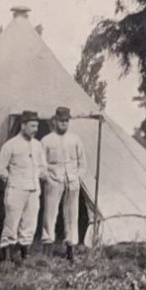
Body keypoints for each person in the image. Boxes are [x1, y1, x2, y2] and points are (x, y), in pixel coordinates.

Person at [0, 110, 47, 262]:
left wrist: (39, 175)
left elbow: (43, 166)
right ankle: (7, 257)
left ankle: (25, 256)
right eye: (32, 126)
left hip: (33, 189)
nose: (35, 129)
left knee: (30, 223)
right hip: (16, 189)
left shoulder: (37, 145)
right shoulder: (10, 145)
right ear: (23, 126)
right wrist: (11, 179)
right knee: (12, 223)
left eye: (37, 126)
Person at [41, 105, 86, 262]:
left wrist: (77, 177)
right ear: (54, 120)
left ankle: (70, 249)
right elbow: (41, 164)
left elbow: (82, 162)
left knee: (72, 214)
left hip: (71, 182)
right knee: (50, 214)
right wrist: (47, 177)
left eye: (66, 121)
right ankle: (47, 246)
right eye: (61, 121)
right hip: (54, 181)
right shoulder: (46, 141)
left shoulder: (75, 140)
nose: (64, 124)